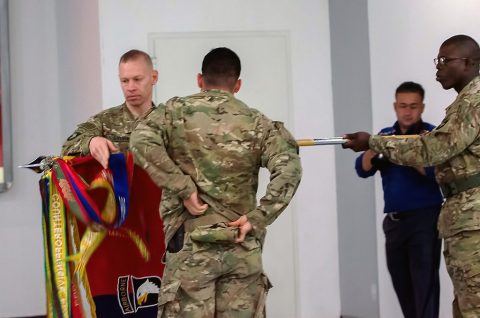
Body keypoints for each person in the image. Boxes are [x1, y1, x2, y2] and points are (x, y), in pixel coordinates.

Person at [130, 47, 302, 317]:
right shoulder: (259, 123)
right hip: (241, 246)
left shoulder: (174, 112)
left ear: (200, 80)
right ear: (238, 84)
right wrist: (258, 218)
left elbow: (140, 141)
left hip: (190, 247)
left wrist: (182, 188)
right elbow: (289, 168)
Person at [343, 34, 480, 317]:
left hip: (464, 219)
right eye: (437, 61)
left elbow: (434, 150)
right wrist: (376, 145)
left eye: (445, 60)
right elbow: (364, 169)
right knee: (463, 303)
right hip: (452, 218)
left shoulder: (473, 101)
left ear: (467, 63)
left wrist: (373, 142)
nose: (438, 68)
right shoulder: (462, 104)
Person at [62, 49, 163, 317]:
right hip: (122, 236)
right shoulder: (105, 121)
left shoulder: (171, 120)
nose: (131, 87)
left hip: (164, 231)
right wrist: (91, 142)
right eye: (124, 81)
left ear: (154, 77)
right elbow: (70, 144)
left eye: (137, 79)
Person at [355, 81, 443, 318]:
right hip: (394, 223)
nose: (407, 111)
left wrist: (406, 152)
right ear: (395, 107)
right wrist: (376, 148)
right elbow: (361, 169)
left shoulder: (432, 136)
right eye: (403, 106)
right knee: (402, 288)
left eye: (413, 106)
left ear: (422, 107)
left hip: (425, 221)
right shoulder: (386, 136)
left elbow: (436, 173)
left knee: (425, 288)